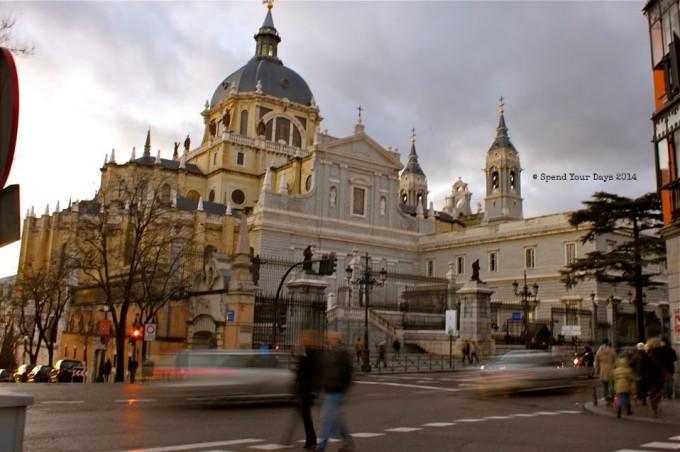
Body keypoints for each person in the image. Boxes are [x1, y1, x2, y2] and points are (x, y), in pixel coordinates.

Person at [316, 331, 354, 452]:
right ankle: (348, 442)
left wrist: (343, 386)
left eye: (331, 338)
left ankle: (321, 446)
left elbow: (346, 372)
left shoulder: (342, 354)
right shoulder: (328, 352)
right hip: (328, 388)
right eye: (328, 338)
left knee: (328, 418)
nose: (328, 339)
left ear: (337, 340)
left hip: (337, 389)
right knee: (335, 419)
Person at [295, 331, 320, 450]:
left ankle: (312, 439)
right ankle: (310, 439)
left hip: (308, 390)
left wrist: (314, 390)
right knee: (306, 417)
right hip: (303, 390)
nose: (303, 340)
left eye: (305, 338)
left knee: (306, 416)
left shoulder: (312, 354)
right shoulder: (304, 352)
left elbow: (314, 372)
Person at [644, 338, 666, 415]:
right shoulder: (660, 352)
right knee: (658, 388)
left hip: (649, 375)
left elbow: (644, 366)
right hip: (658, 374)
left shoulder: (647, 354)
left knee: (652, 390)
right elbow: (664, 364)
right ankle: (657, 399)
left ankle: (654, 406)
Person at [595, 339, 616, 403]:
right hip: (611, 369)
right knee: (612, 383)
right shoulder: (612, 350)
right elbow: (615, 360)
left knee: (605, 385)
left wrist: (597, 371)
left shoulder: (599, 351)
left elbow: (597, 362)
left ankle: (606, 399)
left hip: (603, 370)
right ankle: (612, 395)